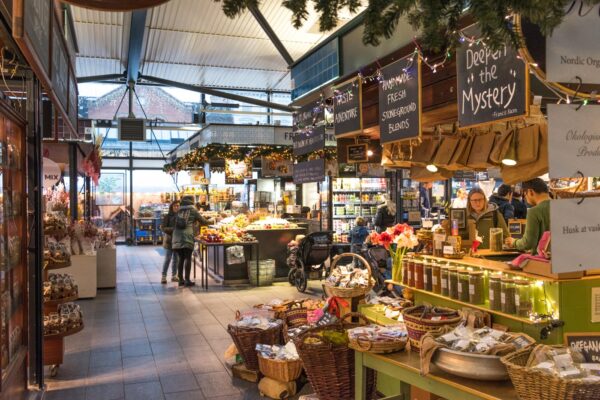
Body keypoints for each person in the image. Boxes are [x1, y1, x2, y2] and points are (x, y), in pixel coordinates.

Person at [172, 195, 212, 287]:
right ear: (191, 201)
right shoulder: (193, 210)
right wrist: (213, 220)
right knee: (188, 257)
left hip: (176, 236)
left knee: (181, 258)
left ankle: (180, 280)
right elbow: (203, 221)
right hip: (187, 236)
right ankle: (187, 280)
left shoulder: (179, 210)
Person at [505, 178, 550, 255]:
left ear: (530, 192)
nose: (524, 198)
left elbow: (528, 243)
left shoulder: (534, 211)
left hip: (542, 262)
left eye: (524, 194)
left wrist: (514, 242)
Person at [160, 200, 180, 284]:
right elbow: (163, 228)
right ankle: (163, 276)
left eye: (178, 206)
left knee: (176, 259)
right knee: (168, 259)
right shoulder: (167, 216)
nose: (176, 207)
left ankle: (174, 276)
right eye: (175, 206)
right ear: (172, 207)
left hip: (178, 241)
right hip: (169, 240)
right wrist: (174, 230)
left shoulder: (181, 216)